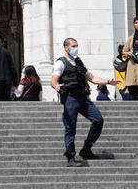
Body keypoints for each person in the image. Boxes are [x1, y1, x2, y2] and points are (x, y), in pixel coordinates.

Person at [51, 37, 120, 167]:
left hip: (82, 98)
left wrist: (109, 81)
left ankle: (86, 149)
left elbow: (92, 78)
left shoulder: (79, 62)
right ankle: (70, 156)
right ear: (66, 47)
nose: (75, 48)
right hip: (70, 99)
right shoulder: (61, 63)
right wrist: (56, 86)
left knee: (98, 119)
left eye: (76, 45)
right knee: (70, 128)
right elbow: (53, 80)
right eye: (73, 46)